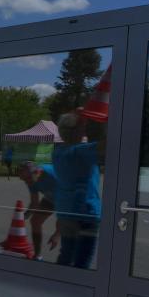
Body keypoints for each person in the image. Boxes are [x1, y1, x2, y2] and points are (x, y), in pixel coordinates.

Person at [51, 112, 102, 268]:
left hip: (65, 212)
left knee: (67, 255)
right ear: (78, 132)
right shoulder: (81, 152)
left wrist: (79, 118)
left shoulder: (58, 153)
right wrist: (104, 119)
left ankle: (58, 281)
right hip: (85, 213)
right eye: (83, 128)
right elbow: (110, 144)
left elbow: (69, 130)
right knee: (82, 261)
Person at [17, 161, 58, 260]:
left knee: (67, 228)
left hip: (68, 198)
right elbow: (34, 203)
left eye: (28, 179)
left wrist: (57, 234)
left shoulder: (53, 175)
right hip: (51, 197)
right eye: (24, 180)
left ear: (38, 172)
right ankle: (37, 255)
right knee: (35, 221)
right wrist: (23, 217)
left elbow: (66, 213)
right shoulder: (31, 178)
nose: (27, 183)